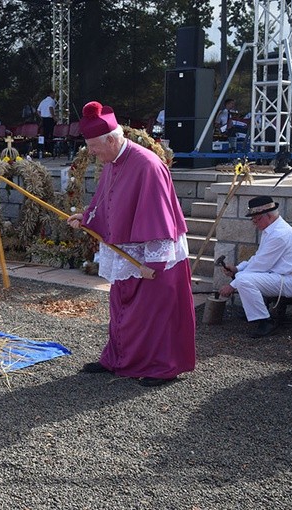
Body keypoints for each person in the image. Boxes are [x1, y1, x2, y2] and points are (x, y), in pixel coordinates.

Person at [67, 101, 196, 387]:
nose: (93, 154)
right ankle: (118, 360)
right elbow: (107, 202)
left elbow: (159, 219)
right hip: (128, 253)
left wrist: (153, 263)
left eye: (94, 147)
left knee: (154, 315)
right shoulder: (112, 162)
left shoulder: (147, 165)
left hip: (154, 257)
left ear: (111, 139)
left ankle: (162, 367)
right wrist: (86, 218)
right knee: (122, 309)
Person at [218, 196, 292, 338]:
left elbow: (260, 265)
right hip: (282, 276)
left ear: (268, 216)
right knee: (242, 276)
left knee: (244, 280)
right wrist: (238, 269)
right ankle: (253, 312)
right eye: (253, 220)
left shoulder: (280, 234)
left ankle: (265, 322)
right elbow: (259, 258)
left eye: (256, 219)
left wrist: (232, 286)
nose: (254, 223)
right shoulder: (272, 229)